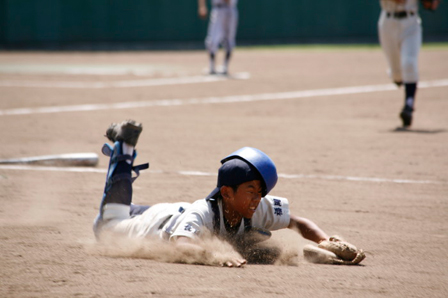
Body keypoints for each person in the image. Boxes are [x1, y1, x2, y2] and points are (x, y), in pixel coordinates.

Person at [93, 120, 354, 267]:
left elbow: (297, 222)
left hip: (171, 212)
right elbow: (182, 243)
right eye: (251, 190)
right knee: (109, 219)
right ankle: (124, 149)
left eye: (261, 191)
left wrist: (324, 240)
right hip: (144, 225)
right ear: (227, 193)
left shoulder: (253, 204)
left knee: (254, 247)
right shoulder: (203, 212)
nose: (258, 198)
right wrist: (215, 255)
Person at [377, 0, 440, 128]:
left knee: (409, 63)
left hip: (411, 23)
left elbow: (432, 4)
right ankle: (397, 77)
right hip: (388, 23)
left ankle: (408, 106)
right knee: (397, 75)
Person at [198, 0, 239, 75]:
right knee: (212, 39)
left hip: (230, 8)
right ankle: (212, 67)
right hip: (217, 9)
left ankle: (225, 66)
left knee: (229, 39)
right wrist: (202, 6)